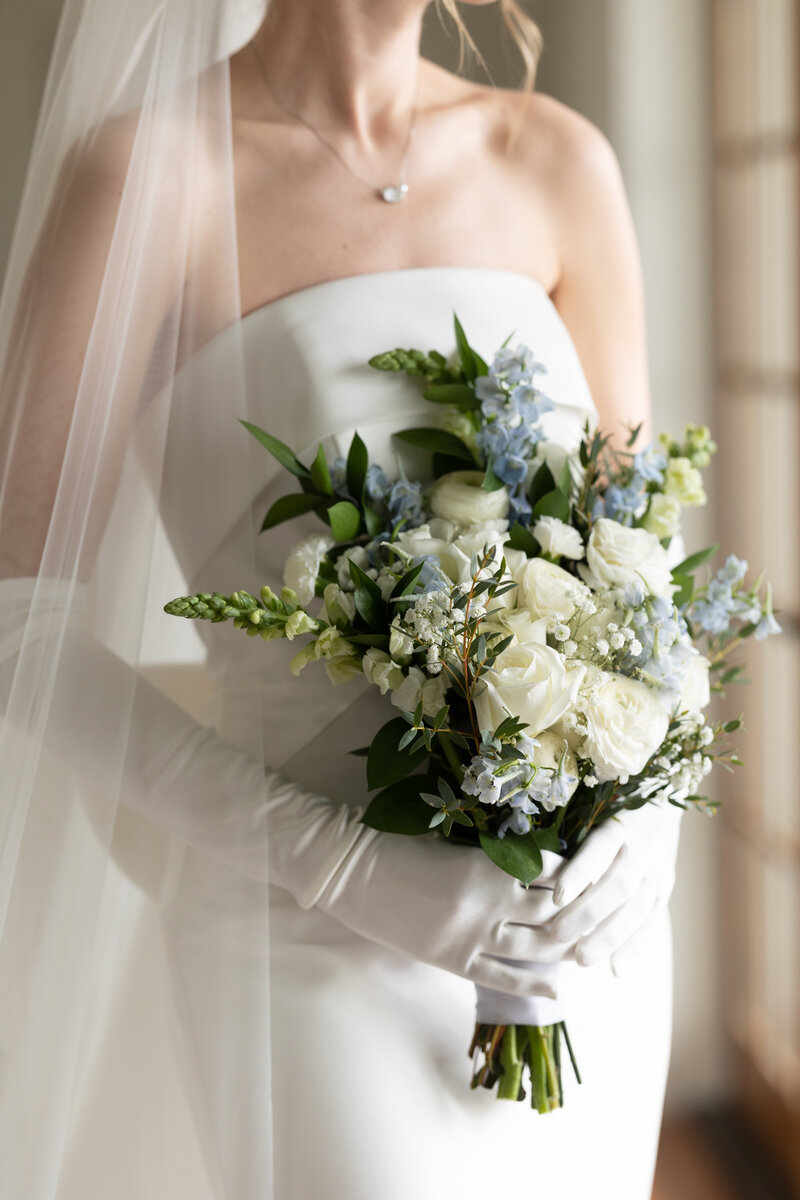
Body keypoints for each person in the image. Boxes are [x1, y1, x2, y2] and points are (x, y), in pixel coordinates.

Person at [0, 2, 681, 1197]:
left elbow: (646, 568)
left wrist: (650, 829)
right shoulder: (146, 173)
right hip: (300, 935)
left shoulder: (556, 158)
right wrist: (351, 874)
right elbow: (17, 628)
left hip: (582, 942)